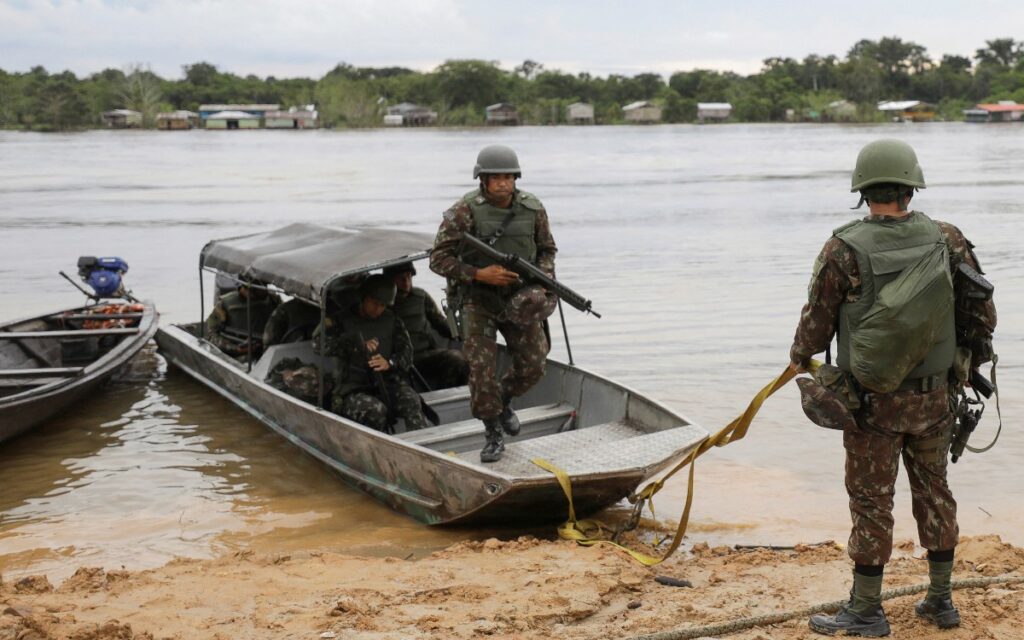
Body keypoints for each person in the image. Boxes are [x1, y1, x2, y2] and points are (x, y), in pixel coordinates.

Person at [789, 139, 997, 637]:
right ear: (911, 186)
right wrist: (966, 367)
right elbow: (981, 312)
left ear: (863, 192)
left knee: (870, 500)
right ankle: (942, 602)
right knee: (935, 491)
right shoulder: (947, 238)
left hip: (870, 404)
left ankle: (866, 610)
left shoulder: (842, 247)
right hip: (934, 398)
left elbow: (816, 323)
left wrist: (798, 358)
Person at [430, 144, 557, 463]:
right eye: (495, 177)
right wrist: (478, 273)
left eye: (508, 177)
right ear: (482, 180)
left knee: (534, 363)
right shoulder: (464, 211)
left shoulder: (533, 208)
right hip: (478, 300)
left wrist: (541, 280)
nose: (503, 183)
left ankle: (503, 400)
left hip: (519, 298)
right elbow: (438, 259)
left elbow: (547, 250)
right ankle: (492, 433)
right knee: (481, 370)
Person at [315, 274, 429, 433]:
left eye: (383, 305)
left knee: (412, 400)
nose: (378, 309)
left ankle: (421, 447)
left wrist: (389, 363)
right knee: (374, 410)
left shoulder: (392, 320)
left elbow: (406, 353)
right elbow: (318, 345)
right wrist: (355, 345)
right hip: (353, 390)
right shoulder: (340, 320)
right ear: (364, 297)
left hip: (387, 384)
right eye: (375, 303)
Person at [383, 261, 469, 390]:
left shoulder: (420, 297)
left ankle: (447, 396)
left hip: (424, 354)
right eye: (401, 278)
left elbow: (440, 323)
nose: (406, 282)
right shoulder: (381, 303)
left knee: (457, 359)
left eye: (409, 277)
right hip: (397, 359)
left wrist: (463, 335)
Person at [205, 280, 281, 360]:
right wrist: (235, 348)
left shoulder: (273, 301)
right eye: (259, 290)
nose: (264, 292)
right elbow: (211, 335)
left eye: (264, 288)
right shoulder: (225, 304)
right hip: (237, 358)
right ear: (246, 288)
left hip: (268, 354)